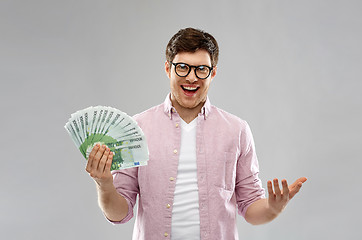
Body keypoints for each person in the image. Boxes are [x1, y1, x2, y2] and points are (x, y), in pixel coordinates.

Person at [85, 27, 307, 240]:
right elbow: (119, 214)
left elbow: (251, 207)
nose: (192, 78)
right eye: (182, 67)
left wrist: (272, 208)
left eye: (201, 69)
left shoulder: (237, 130)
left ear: (213, 73)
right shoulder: (136, 128)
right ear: (167, 68)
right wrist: (104, 184)